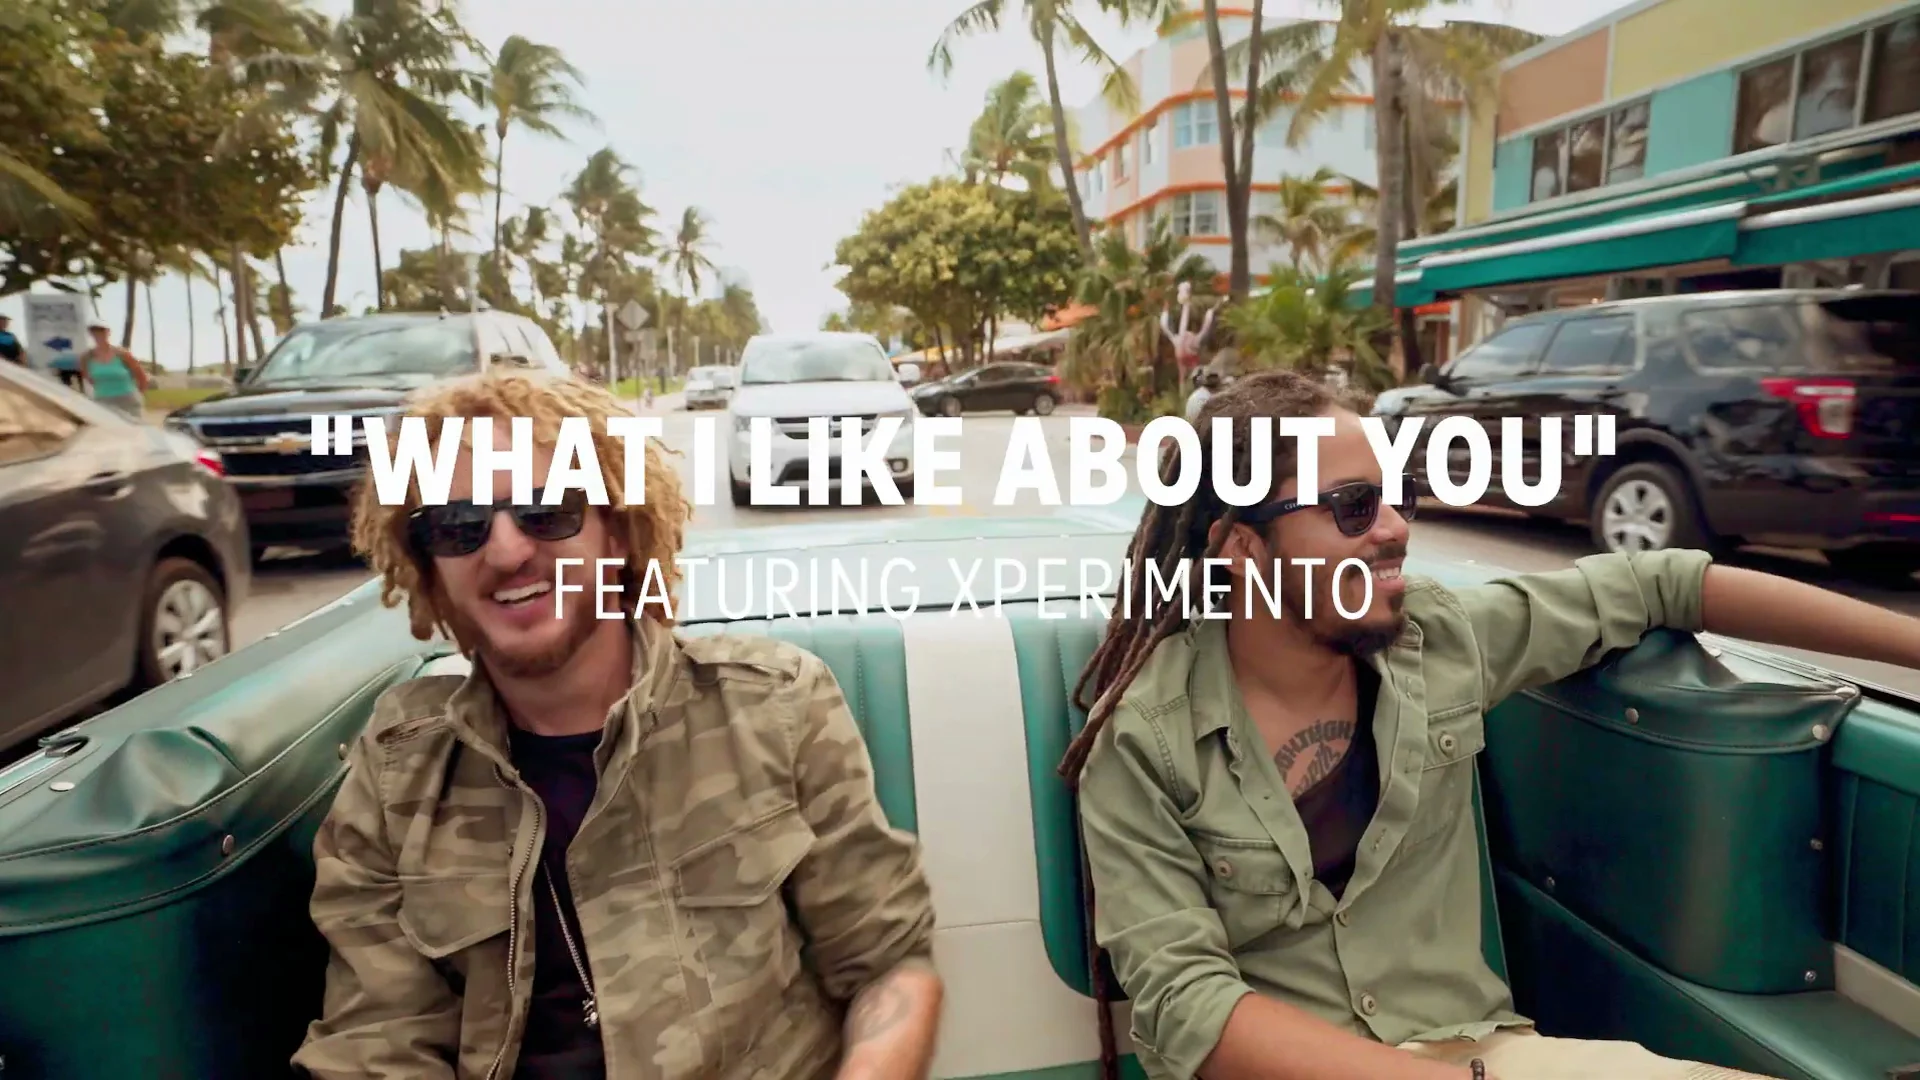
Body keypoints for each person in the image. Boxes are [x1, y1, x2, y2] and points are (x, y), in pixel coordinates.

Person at [1060, 369, 1920, 1080]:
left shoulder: (1437, 638)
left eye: (1397, 497)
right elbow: (1190, 1006)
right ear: (1243, 550)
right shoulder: (1142, 740)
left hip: (1477, 1052)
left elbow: (1665, 584)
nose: (1396, 529)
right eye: (1353, 507)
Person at [294, 369, 945, 1080]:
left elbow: (889, 969)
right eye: (458, 526)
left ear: (618, 532)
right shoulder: (398, 778)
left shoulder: (773, 707)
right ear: (430, 571)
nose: (506, 552)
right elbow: (376, 1045)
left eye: (548, 511)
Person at [77, 322, 149, 418]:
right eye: (95, 332)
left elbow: (142, 377)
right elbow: (88, 378)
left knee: (134, 426)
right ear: (91, 334)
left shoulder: (122, 354)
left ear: (108, 332)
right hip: (104, 401)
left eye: (102, 331)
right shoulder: (86, 357)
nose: (98, 334)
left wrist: (139, 395)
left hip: (128, 400)